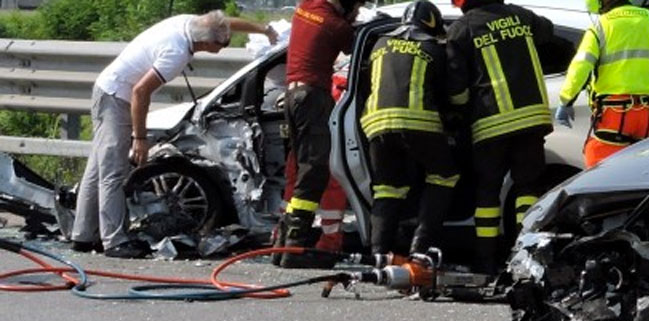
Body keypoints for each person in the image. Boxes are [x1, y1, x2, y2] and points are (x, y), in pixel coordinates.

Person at [75, 11, 276, 259]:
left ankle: (83, 236)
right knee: (113, 173)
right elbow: (140, 92)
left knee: (98, 168)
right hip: (117, 98)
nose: (223, 48)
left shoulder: (191, 23)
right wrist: (140, 139)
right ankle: (114, 241)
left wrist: (264, 29)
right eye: (222, 44)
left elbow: (223, 24)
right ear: (206, 43)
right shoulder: (176, 53)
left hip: (110, 91)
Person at [446, 0, 569, 273]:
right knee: (528, 188)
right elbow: (548, 33)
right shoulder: (520, 16)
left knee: (488, 192)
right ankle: (524, 255)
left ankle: (486, 262)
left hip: (491, 123)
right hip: (532, 119)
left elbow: (456, 87)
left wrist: (456, 113)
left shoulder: (461, 29)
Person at [361, 1, 462, 263]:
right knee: (444, 175)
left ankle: (379, 254)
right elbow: (452, 95)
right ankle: (421, 247)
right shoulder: (433, 47)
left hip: (376, 124)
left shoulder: (379, 44)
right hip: (420, 122)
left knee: (387, 188)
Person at [277, 0, 363, 266]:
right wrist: (355, 25)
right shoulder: (336, 26)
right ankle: (294, 248)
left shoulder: (307, 6)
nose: (357, 11)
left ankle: (282, 247)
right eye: (356, 6)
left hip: (292, 95)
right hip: (313, 96)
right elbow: (355, 48)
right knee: (314, 171)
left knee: (301, 168)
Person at [554, 0, 649, 168]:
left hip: (615, 115)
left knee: (601, 172)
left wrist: (566, 100)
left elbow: (580, 67)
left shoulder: (601, 26)